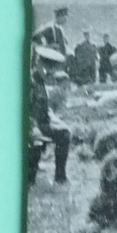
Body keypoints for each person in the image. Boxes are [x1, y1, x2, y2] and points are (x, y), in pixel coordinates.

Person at [29, 46, 71, 186]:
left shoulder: (41, 82)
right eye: (48, 68)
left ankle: (60, 177)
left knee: (65, 133)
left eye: (52, 69)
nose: (51, 73)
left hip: (42, 123)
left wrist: (55, 120)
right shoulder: (31, 82)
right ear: (38, 64)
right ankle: (30, 181)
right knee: (36, 142)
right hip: (31, 126)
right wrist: (33, 128)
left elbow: (45, 108)